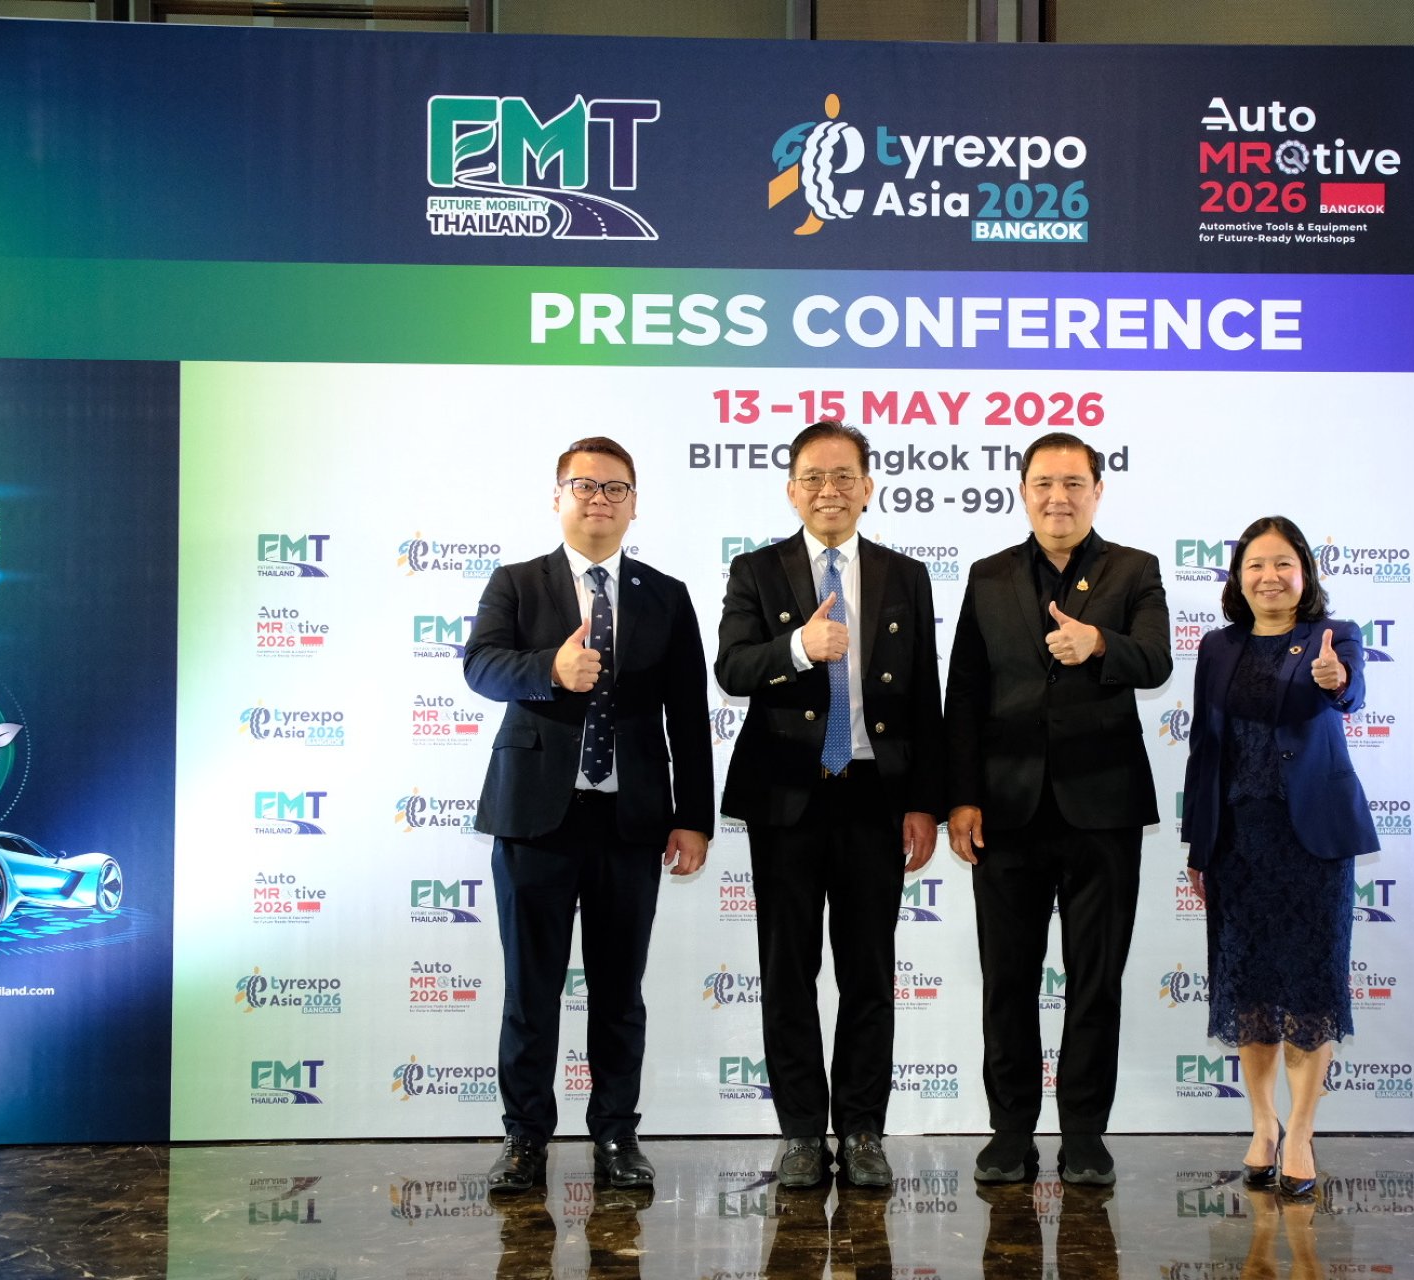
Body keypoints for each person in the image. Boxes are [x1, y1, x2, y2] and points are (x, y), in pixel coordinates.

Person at [464, 436, 713, 1198]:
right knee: (530, 991)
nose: (599, 499)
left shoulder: (665, 594)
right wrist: (550, 668)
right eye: (584, 486)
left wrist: (694, 817)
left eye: (615, 488)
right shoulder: (517, 583)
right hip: (534, 818)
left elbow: (688, 715)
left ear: (634, 504)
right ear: (557, 498)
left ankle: (615, 1134)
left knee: (619, 993)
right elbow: (480, 665)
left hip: (629, 822)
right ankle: (524, 1139)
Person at [714, 419, 943, 1190]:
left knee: (869, 973)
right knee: (788, 971)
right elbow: (732, 668)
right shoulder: (756, 570)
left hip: (875, 798)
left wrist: (925, 802)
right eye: (813, 476)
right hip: (786, 797)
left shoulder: (905, 575)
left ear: (868, 487)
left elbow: (924, 696)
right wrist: (799, 649)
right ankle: (802, 1134)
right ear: (791, 490)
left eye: (845, 476)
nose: (829, 490)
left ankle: (864, 1129)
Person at [944, 430, 1172, 1186]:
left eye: (1074, 483)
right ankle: (1010, 1130)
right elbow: (964, 693)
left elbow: (1156, 659)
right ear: (1023, 491)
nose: (1058, 497)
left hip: (1103, 808)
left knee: (1095, 980)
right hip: (1005, 812)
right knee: (1007, 980)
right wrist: (961, 797)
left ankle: (1084, 1134)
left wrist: (1099, 643)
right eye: (1044, 483)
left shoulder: (1134, 569)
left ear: (1097, 491)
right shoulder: (988, 575)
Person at [1180, 515, 1379, 1202]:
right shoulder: (1217, 647)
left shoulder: (1334, 635)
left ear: (1304, 574)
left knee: (1310, 988)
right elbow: (1204, 747)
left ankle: (1301, 1132)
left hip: (1311, 843)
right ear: (1239, 578)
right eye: (1255, 565)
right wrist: (1198, 841)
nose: (1269, 576)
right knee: (1250, 989)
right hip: (1237, 840)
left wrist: (1334, 678)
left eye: (1283, 564)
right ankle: (1262, 1124)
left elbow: (1348, 691)